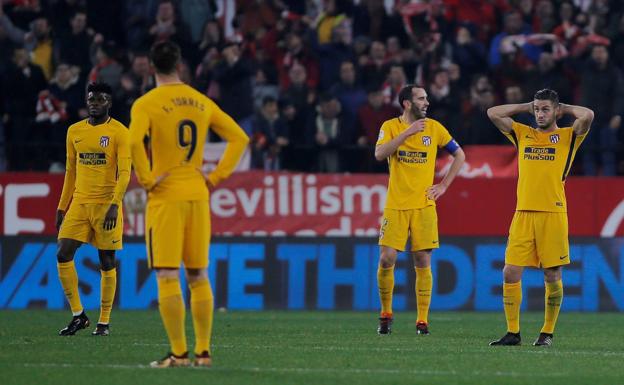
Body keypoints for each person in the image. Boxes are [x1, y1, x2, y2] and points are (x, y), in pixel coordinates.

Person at [129, 41, 249, 368]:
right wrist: (216, 176)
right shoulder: (200, 100)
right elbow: (240, 137)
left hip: (166, 195)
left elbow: (133, 141)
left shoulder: (146, 103)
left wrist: (146, 178)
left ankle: (179, 354)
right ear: (179, 66)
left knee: (168, 274)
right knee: (198, 274)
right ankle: (205, 353)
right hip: (198, 192)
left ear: (151, 67)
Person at [486, 89, 593, 346]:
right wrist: (527, 106)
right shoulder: (524, 134)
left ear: (555, 111)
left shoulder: (568, 137)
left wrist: (562, 108)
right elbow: (492, 113)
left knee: (552, 274)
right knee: (510, 272)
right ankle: (513, 333)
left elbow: (588, 115)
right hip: (523, 212)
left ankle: (547, 333)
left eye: (545, 109)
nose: (539, 114)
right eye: (537, 109)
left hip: (553, 213)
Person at [374, 85, 465, 335]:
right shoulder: (390, 126)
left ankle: (422, 320)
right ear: (407, 103)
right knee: (386, 258)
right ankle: (386, 313)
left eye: (427, 98)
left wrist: (444, 185)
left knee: (423, 260)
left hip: (424, 205)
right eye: (421, 99)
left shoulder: (435, 128)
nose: (427, 102)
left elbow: (460, 155)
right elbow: (380, 153)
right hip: (396, 204)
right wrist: (408, 132)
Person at [56, 82, 131, 337]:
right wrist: (61, 205)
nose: (94, 103)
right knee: (63, 253)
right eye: (91, 99)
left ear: (109, 103)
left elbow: (124, 173)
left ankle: (104, 322)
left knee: (106, 261)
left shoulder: (119, 132)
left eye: (99, 100)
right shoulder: (74, 131)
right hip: (79, 203)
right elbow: (71, 171)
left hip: (106, 204)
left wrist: (115, 204)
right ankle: (79, 315)